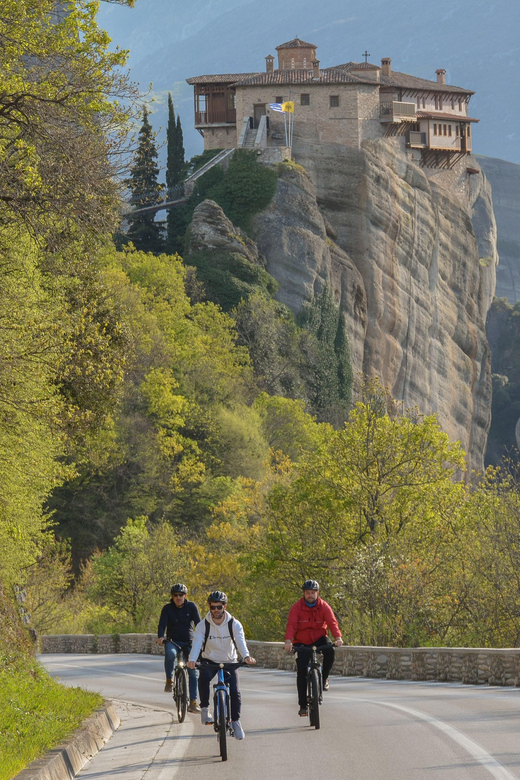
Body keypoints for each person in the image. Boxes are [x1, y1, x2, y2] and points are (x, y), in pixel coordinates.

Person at [188, 590, 256, 740]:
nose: (216, 610)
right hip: (210, 661)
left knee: (235, 692)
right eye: (213, 607)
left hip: (229, 661)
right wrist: (192, 659)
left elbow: (240, 642)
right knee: (203, 679)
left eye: (219, 607)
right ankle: (205, 709)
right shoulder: (202, 625)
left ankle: (236, 722)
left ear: (225, 606)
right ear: (209, 607)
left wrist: (246, 656)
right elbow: (197, 643)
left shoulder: (234, 624)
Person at [284, 579, 343, 717]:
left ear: (317, 593)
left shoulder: (323, 606)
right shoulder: (297, 607)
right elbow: (291, 625)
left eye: (313, 593)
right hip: (302, 641)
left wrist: (338, 637)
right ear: (304, 594)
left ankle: (324, 679)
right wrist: (288, 641)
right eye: (307, 593)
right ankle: (303, 705)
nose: (310, 595)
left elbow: (332, 622)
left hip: (319, 638)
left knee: (330, 650)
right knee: (301, 672)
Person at [157, 583, 201, 713]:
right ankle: (169, 680)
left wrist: (203, 638)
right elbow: (161, 625)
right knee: (170, 654)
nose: (178, 597)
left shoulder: (191, 607)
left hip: (189, 642)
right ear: (172, 596)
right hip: (172, 641)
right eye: (175, 595)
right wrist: (160, 637)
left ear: (185, 596)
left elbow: (199, 624)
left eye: (181, 595)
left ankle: (193, 702)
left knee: (193, 671)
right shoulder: (167, 608)